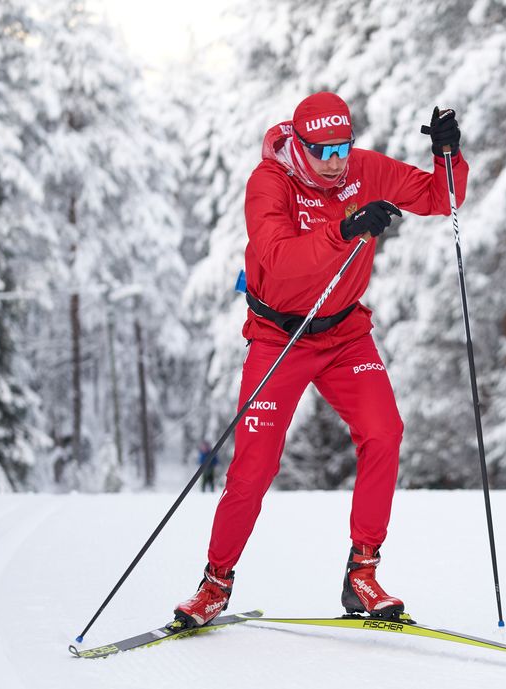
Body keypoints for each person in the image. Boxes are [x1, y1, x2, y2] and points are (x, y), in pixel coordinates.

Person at [173, 92, 467, 627]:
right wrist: (346, 228)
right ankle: (215, 583)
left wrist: (448, 157)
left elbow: (439, 199)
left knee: (384, 433)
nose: (335, 162)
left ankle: (362, 571)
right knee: (254, 466)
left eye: (342, 148)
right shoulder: (270, 182)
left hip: (345, 335)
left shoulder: (362, 169)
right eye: (322, 150)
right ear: (299, 144)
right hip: (279, 338)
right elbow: (279, 260)